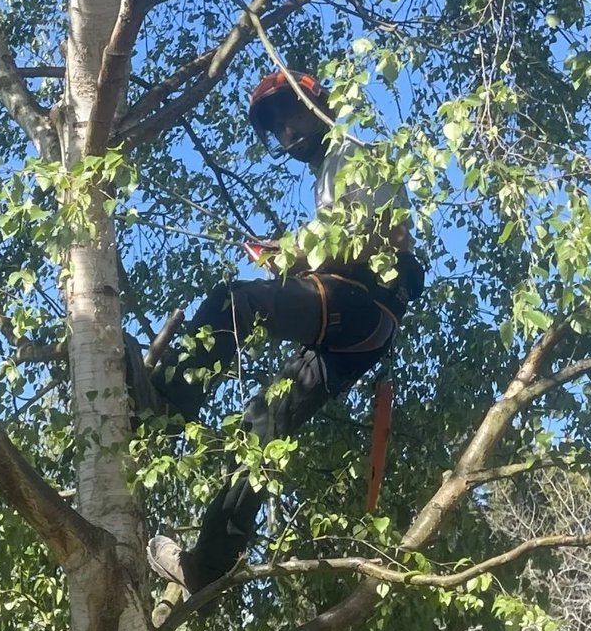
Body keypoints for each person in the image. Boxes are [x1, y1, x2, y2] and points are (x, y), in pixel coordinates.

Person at [142, 68, 424, 593]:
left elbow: (359, 234)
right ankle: (208, 561)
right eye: (277, 128)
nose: (287, 133)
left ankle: (166, 408)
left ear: (316, 103)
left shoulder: (356, 150)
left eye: (290, 116)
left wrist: (291, 254)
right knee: (261, 429)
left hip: (364, 304)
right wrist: (291, 255)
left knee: (237, 302)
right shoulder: (328, 169)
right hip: (355, 327)